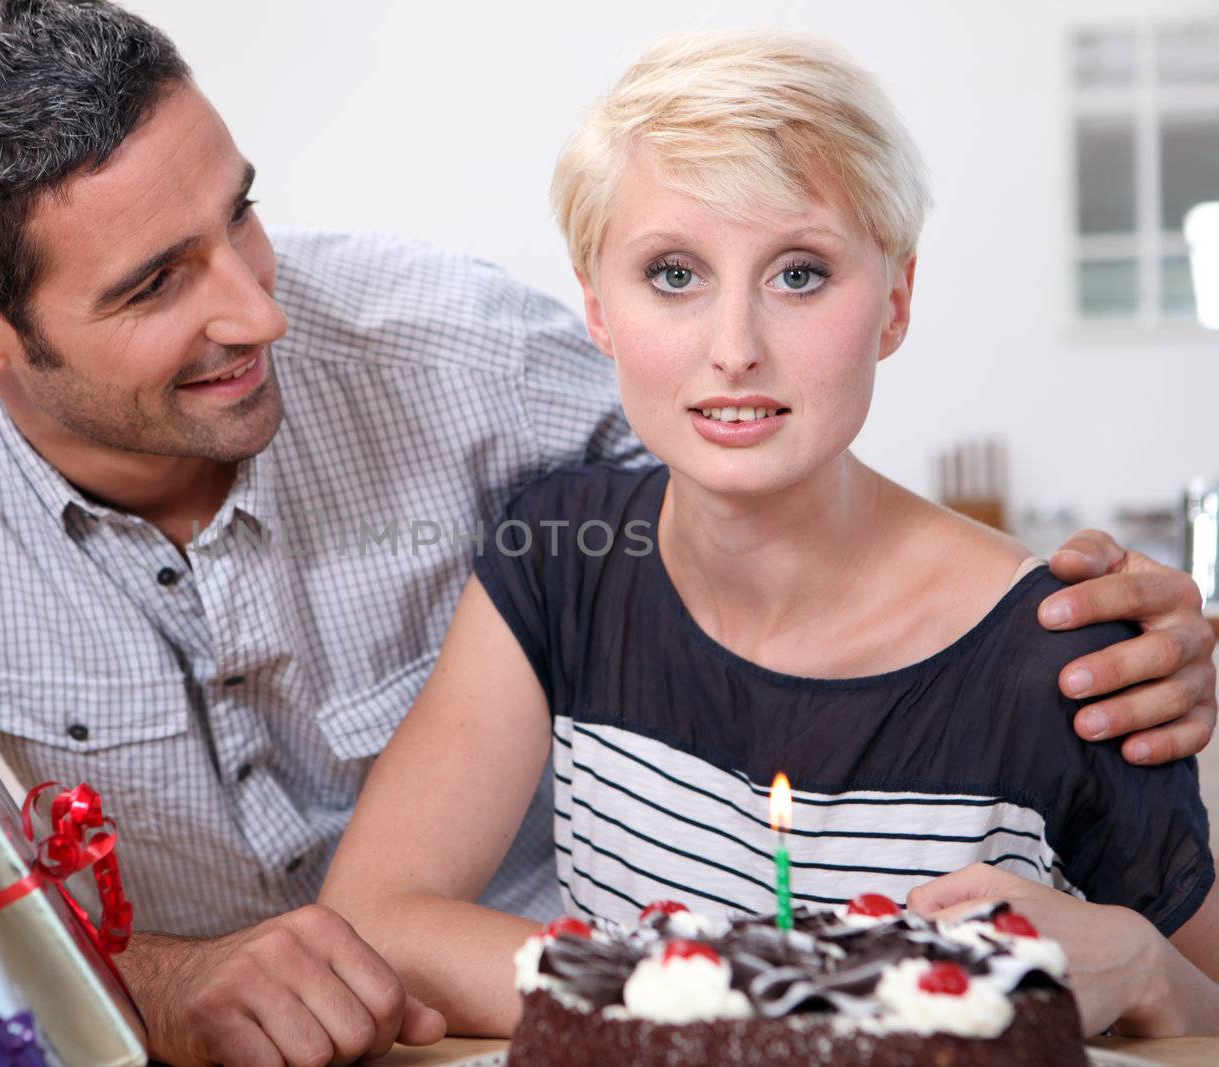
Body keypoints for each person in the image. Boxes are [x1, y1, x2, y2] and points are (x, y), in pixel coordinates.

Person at [0, 3, 1213, 1064]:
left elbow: (745, 487)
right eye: (158, 283)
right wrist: (154, 983)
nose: (259, 307)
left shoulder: (461, 352)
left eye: (244, 214)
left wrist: (1126, 620)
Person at [318, 28, 1219, 1039]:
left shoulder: (1063, 650)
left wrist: (1143, 967)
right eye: (671, 273)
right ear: (597, 309)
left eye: (798, 274)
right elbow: (368, 920)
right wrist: (756, 995)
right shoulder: (559, 556)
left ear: (896, 300)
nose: (734, 349)